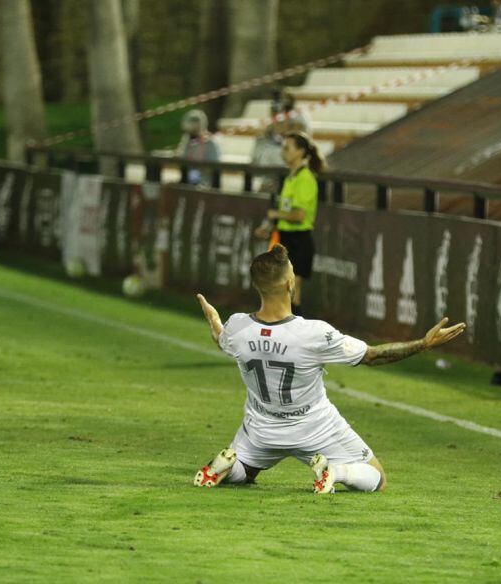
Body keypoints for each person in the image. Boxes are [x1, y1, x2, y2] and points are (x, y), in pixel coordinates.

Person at [193, 245, 465, 494]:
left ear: (256, 286)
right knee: (377, 479)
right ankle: (338, 471)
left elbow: (222, 339)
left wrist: (216, 323)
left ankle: (228, 468)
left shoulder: (238, 327)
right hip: (315, 428)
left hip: (261, 431)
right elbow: (373, 356)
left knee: (248, 472)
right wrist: (424, 344)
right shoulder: (314, 333)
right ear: (290, 284)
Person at [253, 132, 324, 316]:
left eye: (287, 148)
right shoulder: (290, 177)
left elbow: (299, 215)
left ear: (300, 152)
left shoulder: (305, 178)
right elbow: (285, 209)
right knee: (285, 293)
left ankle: (297, 338)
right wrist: (269, 226)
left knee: (292, 293)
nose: (283, 152)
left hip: (299, 240)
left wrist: (275, 214)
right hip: (285, 238)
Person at [250, 89, 311, 169]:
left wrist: (282, 125)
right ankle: (255, 171)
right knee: (260, 140)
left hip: (293, 148)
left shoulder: (299, 117)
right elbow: (269, 130)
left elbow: (290, 134)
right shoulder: (279, 116)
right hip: (277, 145)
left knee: (273, 153)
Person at [175, 109, 220, 186]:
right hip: (188, 180)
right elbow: (182, 159)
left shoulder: (210, 143)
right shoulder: (187, 142)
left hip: (205, 181)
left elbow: (214, 167)